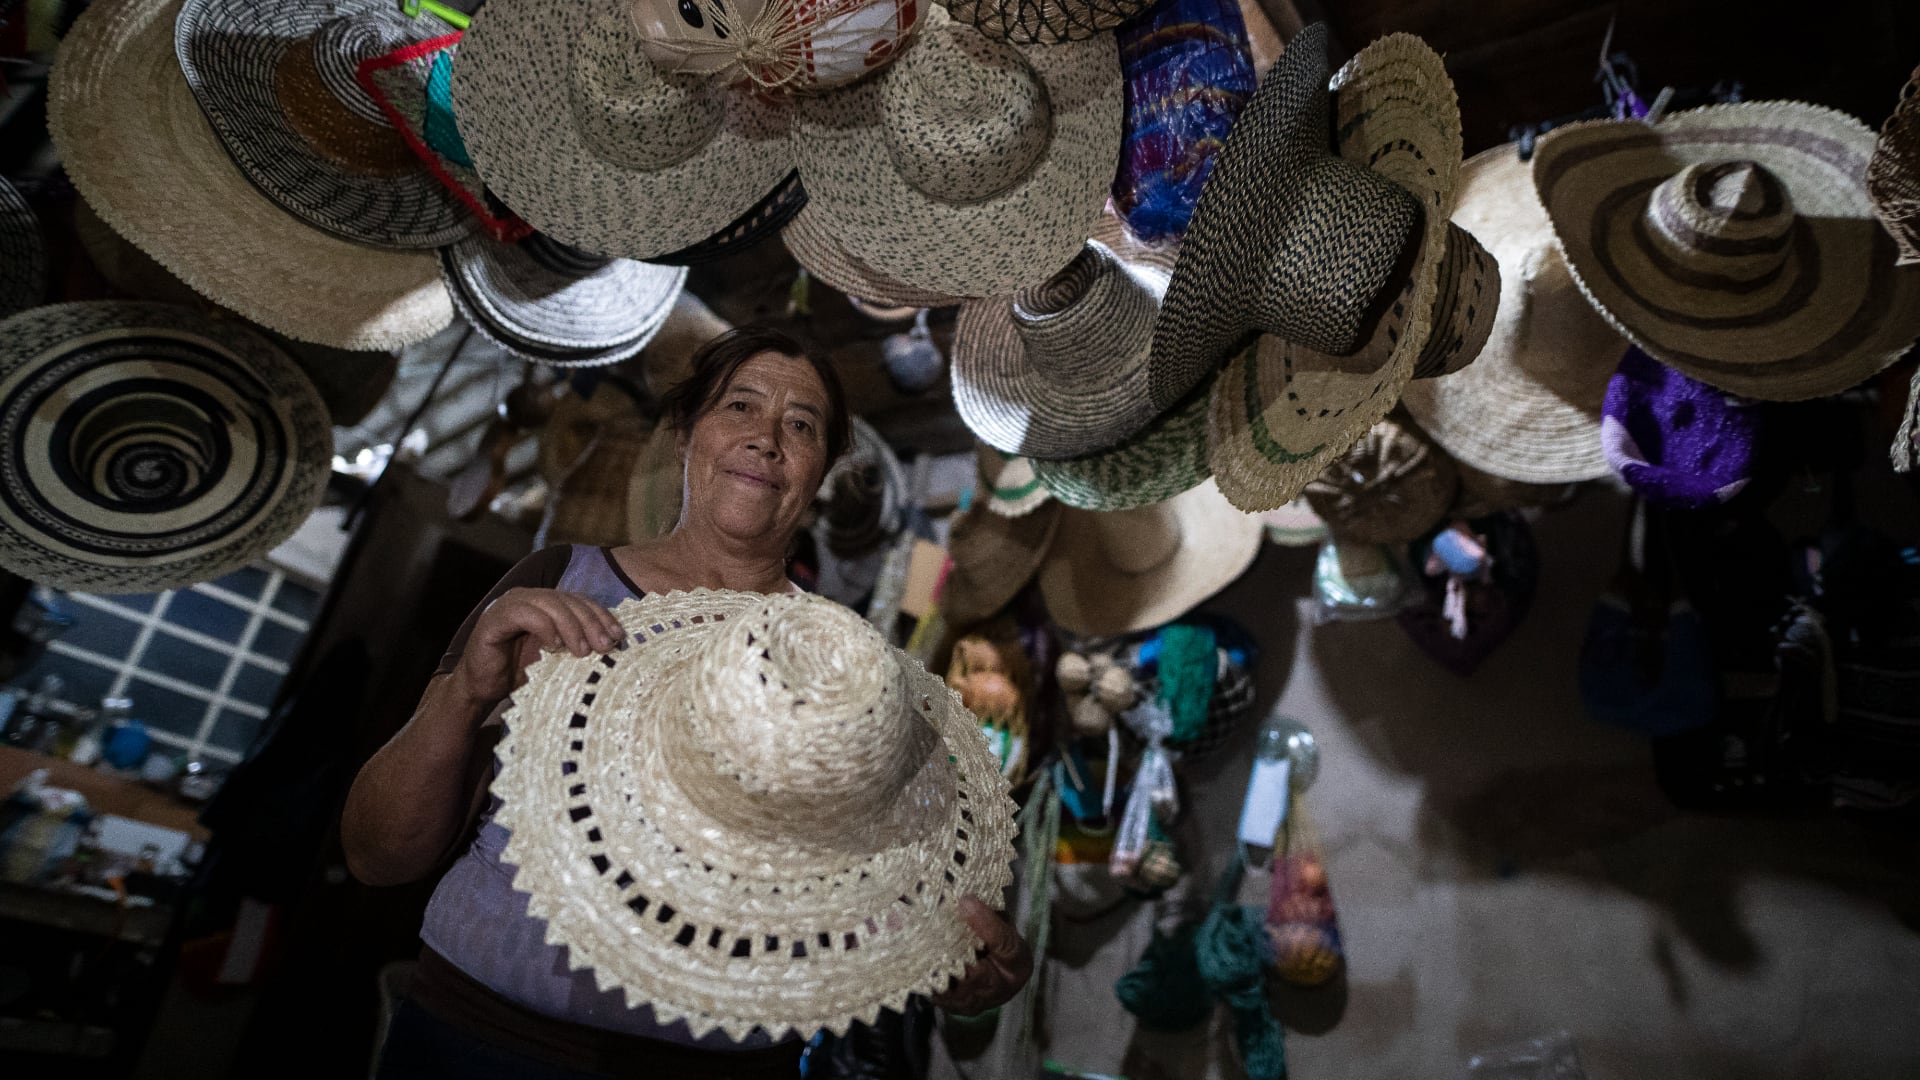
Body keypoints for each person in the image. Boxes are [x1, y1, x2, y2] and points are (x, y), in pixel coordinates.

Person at [342, 327, 1032, 1079]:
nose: (767, 439)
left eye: (801, 426)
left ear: (824, 469)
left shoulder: (846, 678)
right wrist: (462, 695)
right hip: (477, 1044)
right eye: (741, 406)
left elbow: (864, 907)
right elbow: (378, 856)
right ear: (684, 433)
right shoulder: (561, 587)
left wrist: (945, 962)